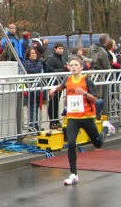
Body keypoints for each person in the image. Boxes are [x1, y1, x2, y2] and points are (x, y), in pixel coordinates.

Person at [49, 56, 108, 185]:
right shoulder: (68, 79)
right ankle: (73, 174)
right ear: (69, 67)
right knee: (70, 143)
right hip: (72, 118)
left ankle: (106, 128)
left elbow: (95, 98)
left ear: (81, 67)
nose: (74, 67)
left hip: (86, 117)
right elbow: (62, 86)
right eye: (71, 65)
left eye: (76, 65)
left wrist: (84, 93)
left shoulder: (87, 80)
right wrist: (54, 89)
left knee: (98, 144)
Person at [44, 42, 68, 129]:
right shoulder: (50, 58)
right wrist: (63, 69)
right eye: (59, 48)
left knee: (56, 103)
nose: (61, 50)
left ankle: (56, 120)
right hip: (53, 84)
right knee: (52, 103)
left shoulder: (62, 58)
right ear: (55, 49)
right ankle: (52, 122)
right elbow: (49, 71)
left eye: (62, 48)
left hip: (60, 84)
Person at [24, 47, 43, 131]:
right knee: (31, 107)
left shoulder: (39, 62)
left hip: (38, 88)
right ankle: (31, 125)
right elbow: (33, 71)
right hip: (30, 88)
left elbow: (39, 69)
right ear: (28, 55)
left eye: (34, 53)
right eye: (32, 53)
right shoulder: (26, 63)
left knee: (36, 107)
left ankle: (35, 124)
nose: (34, 55)